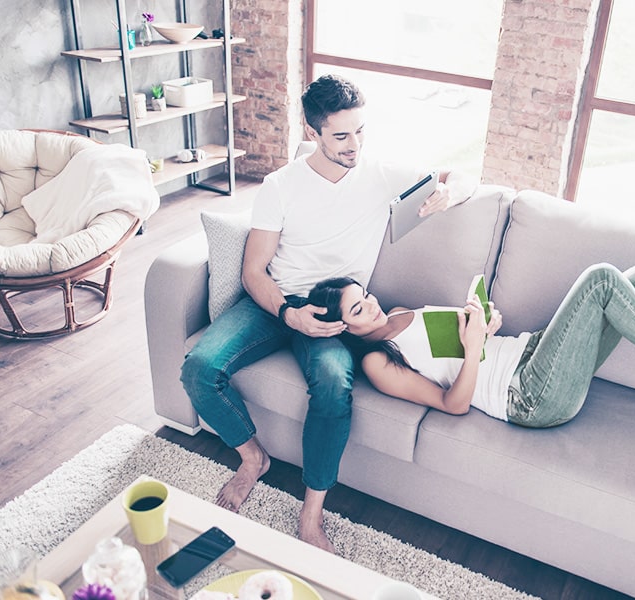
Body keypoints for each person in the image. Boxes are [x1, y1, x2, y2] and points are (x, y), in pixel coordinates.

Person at [180, 74, 475, 551]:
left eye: (360, 131)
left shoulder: (380, 175)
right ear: (312, 131)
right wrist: (287, 313)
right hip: (275, 303)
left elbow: (462, 174)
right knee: (198, 369)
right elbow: (255, 271)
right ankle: (252, 457)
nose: (354, 145)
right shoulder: (280, 186)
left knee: (335, 386)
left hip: (337, 313)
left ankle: (311, 512)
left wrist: (451, 192)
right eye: (341, 135)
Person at [306, 264, 635, 426]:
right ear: (341, 329)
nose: (372, 306)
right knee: (604, 278)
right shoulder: (378, 362)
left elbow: (472, 340)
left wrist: (484, 325)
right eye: (358, 310)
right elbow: (454, 403)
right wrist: (472, 350)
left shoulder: (398, 313)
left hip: (530, 352)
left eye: (366, 296)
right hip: (528, 397)